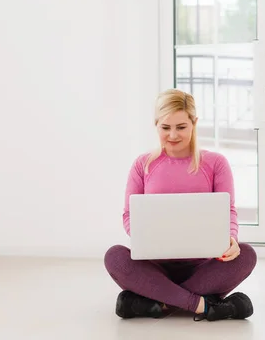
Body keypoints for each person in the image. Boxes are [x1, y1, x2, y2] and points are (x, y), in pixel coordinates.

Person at [104, 89, 257, 322]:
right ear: (156, 125)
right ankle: (200, 305)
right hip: (155, 266)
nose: (173, 135)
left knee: (246, 254)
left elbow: (228, 210)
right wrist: (145, 237)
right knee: (114, 257)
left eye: (181, 127)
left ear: (194, 123)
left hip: (204, 266)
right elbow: (129, 215)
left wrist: (231, 238)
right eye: (165, 128)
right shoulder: (142, 165)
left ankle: (157, 301)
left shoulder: (215, 163)